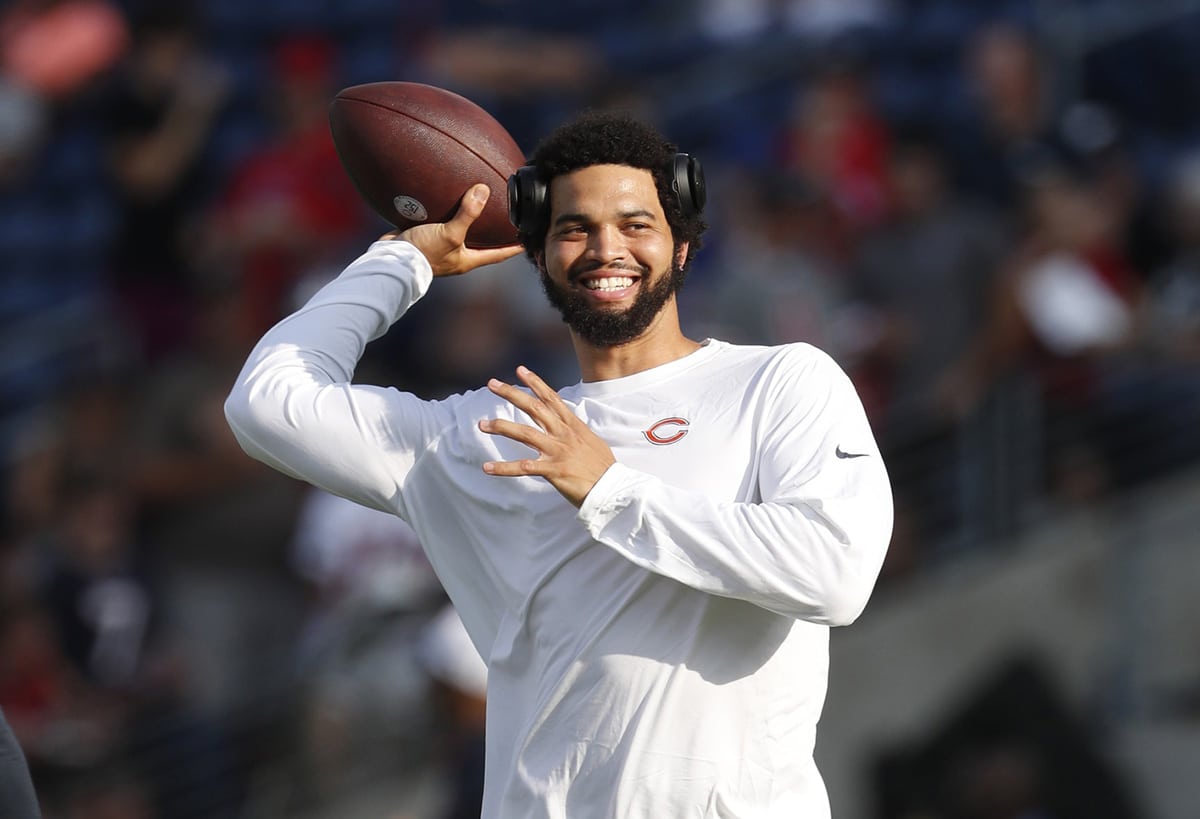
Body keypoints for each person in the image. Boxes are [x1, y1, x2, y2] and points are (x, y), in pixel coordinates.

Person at [225, 111, 893, 818]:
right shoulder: (482, 433)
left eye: (636, 224)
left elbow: (836, 575)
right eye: (575, 228)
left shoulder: (782, 382)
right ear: (537, 255)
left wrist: (610, 489)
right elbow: (265, 403)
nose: (607, 248)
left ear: (684, 248)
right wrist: (405, 261)